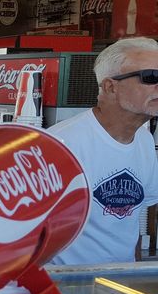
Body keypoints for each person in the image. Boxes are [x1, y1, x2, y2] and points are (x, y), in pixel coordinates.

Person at [49, 38, 158, 266]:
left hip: (117, 282)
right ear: (110, 87)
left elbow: (131, 222)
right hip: (66, 282)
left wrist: (133, 275)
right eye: (151, 77)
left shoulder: (144, 140)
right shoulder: (60, 144)